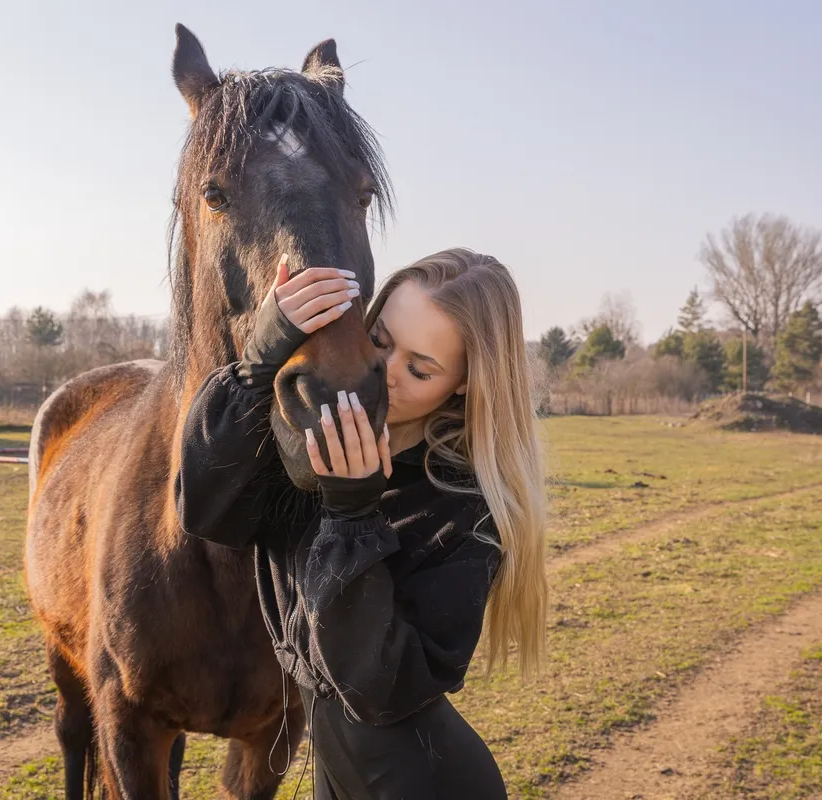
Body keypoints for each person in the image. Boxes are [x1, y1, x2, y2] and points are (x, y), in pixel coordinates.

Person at [176, 248, 548, 799]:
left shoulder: (466, 505)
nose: (386, 373)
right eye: (380, 341)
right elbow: (207, 513)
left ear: (467, 382)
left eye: (420, 368)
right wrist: (258, 363)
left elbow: (378, 688)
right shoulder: (310, 446)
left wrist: (352, 513)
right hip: (340, 774)